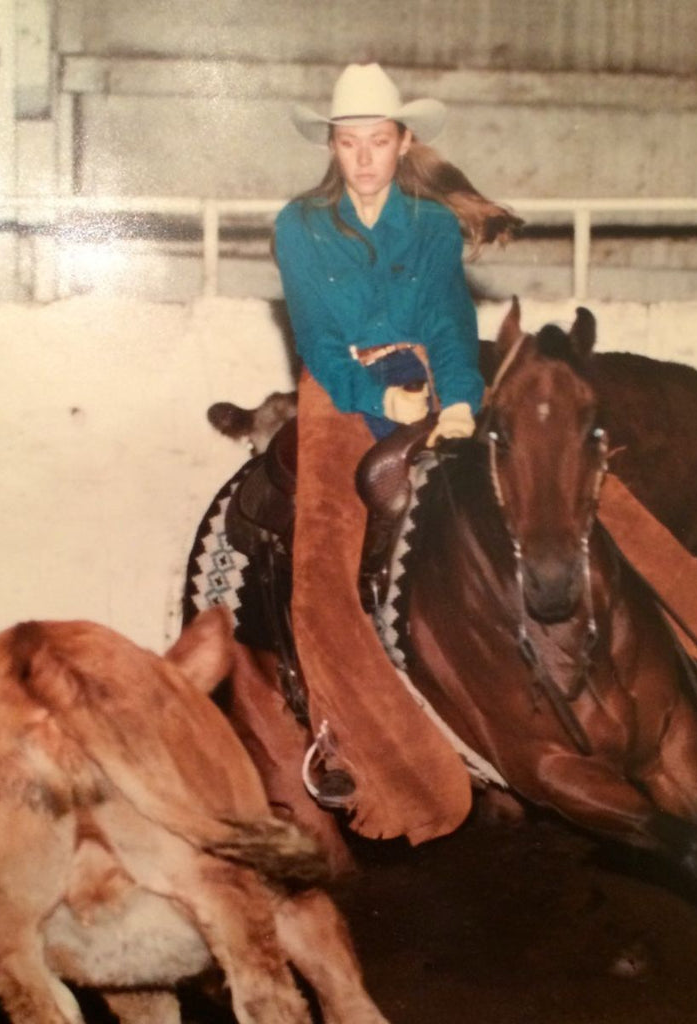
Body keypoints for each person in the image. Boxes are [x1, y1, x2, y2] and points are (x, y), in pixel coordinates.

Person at [273, 63, 521, 844]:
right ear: (333, 147)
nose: (366, 158)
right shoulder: (298, 225)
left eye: (378, 142)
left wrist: (458, 397)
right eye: (350, 144)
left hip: (425, 371)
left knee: (550, 489)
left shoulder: (432, 224)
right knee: (320, 570)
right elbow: (313, 331)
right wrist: (380, 399)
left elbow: (450, 320)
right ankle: (346, 743)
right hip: (338, 386)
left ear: (403, 141)